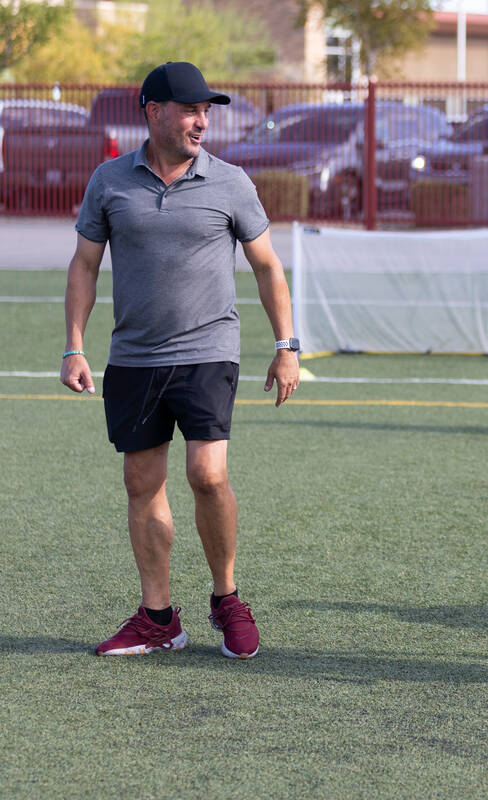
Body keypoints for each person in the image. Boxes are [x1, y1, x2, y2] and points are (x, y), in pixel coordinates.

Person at [60, 62, 300, 659]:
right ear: (154, 112)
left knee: (207, 474)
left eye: (206, 112)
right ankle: (159, 618)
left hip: (208, 353)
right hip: (134, 358)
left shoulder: (231, 182)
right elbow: (85, 264)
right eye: (190, 110)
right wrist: (74, 346)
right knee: (142, 482)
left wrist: (286, 345)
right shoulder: (110, 180)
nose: (201, 122)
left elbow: (268, 266)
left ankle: (227, 598)